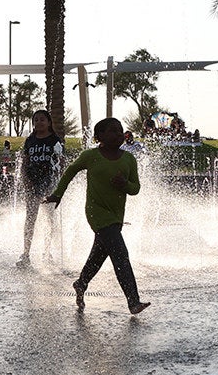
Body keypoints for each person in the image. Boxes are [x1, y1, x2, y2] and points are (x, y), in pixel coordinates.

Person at [49, 117, 149, 314]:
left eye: (120, 131)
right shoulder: (91, 156)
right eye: (113, 131)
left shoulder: (129, 159)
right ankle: (133, 301)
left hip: (116, 214)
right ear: (99, 136)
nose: (119, 134)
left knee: (99, 254)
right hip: (97, 212)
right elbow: (70, 171)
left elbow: (135, 188)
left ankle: (81, 283)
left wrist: (125, 185)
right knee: (120, 254)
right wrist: (57, 194)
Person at [20, 110, 64, 264]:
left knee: (49, 220)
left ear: (49, 122)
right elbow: (25, 162)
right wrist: (25, 180)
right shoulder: (30, 140)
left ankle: (47, 252)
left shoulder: (54, 140)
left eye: (42, 120)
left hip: (49, 185)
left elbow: (60, 162)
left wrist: (59, 184)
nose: (39, 122)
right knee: (30, 219)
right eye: (36, 120)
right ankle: (26, 254)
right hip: (32, 185)